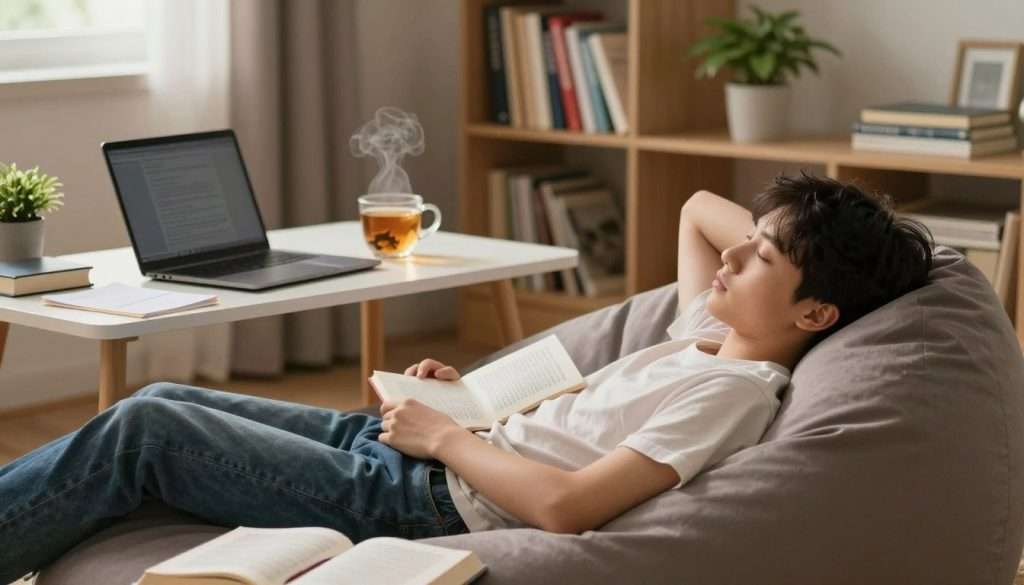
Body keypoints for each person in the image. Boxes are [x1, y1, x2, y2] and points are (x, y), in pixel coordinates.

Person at [0, 172, 934, 582]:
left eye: (760, 260)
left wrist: (445, 437)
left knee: (145, 432)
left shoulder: (735, 390)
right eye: (750, 246)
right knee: (165, 400)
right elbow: (697, 209)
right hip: (437, 444)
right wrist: (465, 403)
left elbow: (570, 506)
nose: (731, 261)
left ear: (816, 317)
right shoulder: (709, 332)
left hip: (427, 495)